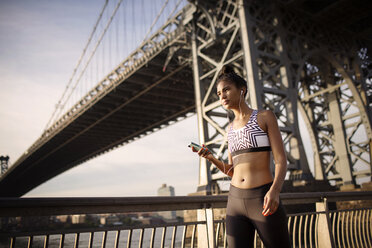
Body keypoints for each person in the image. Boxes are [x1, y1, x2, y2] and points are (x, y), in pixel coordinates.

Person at [191, 65, 291, 248]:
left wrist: (275, 190)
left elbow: (280, 160)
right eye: (219, 93)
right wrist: (211, 158)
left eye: (226, 90)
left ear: (242, 90)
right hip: (235, 201)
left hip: (263, 198)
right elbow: (232, 171)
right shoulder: (230, 130)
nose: (222, 96)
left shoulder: (264, 116)